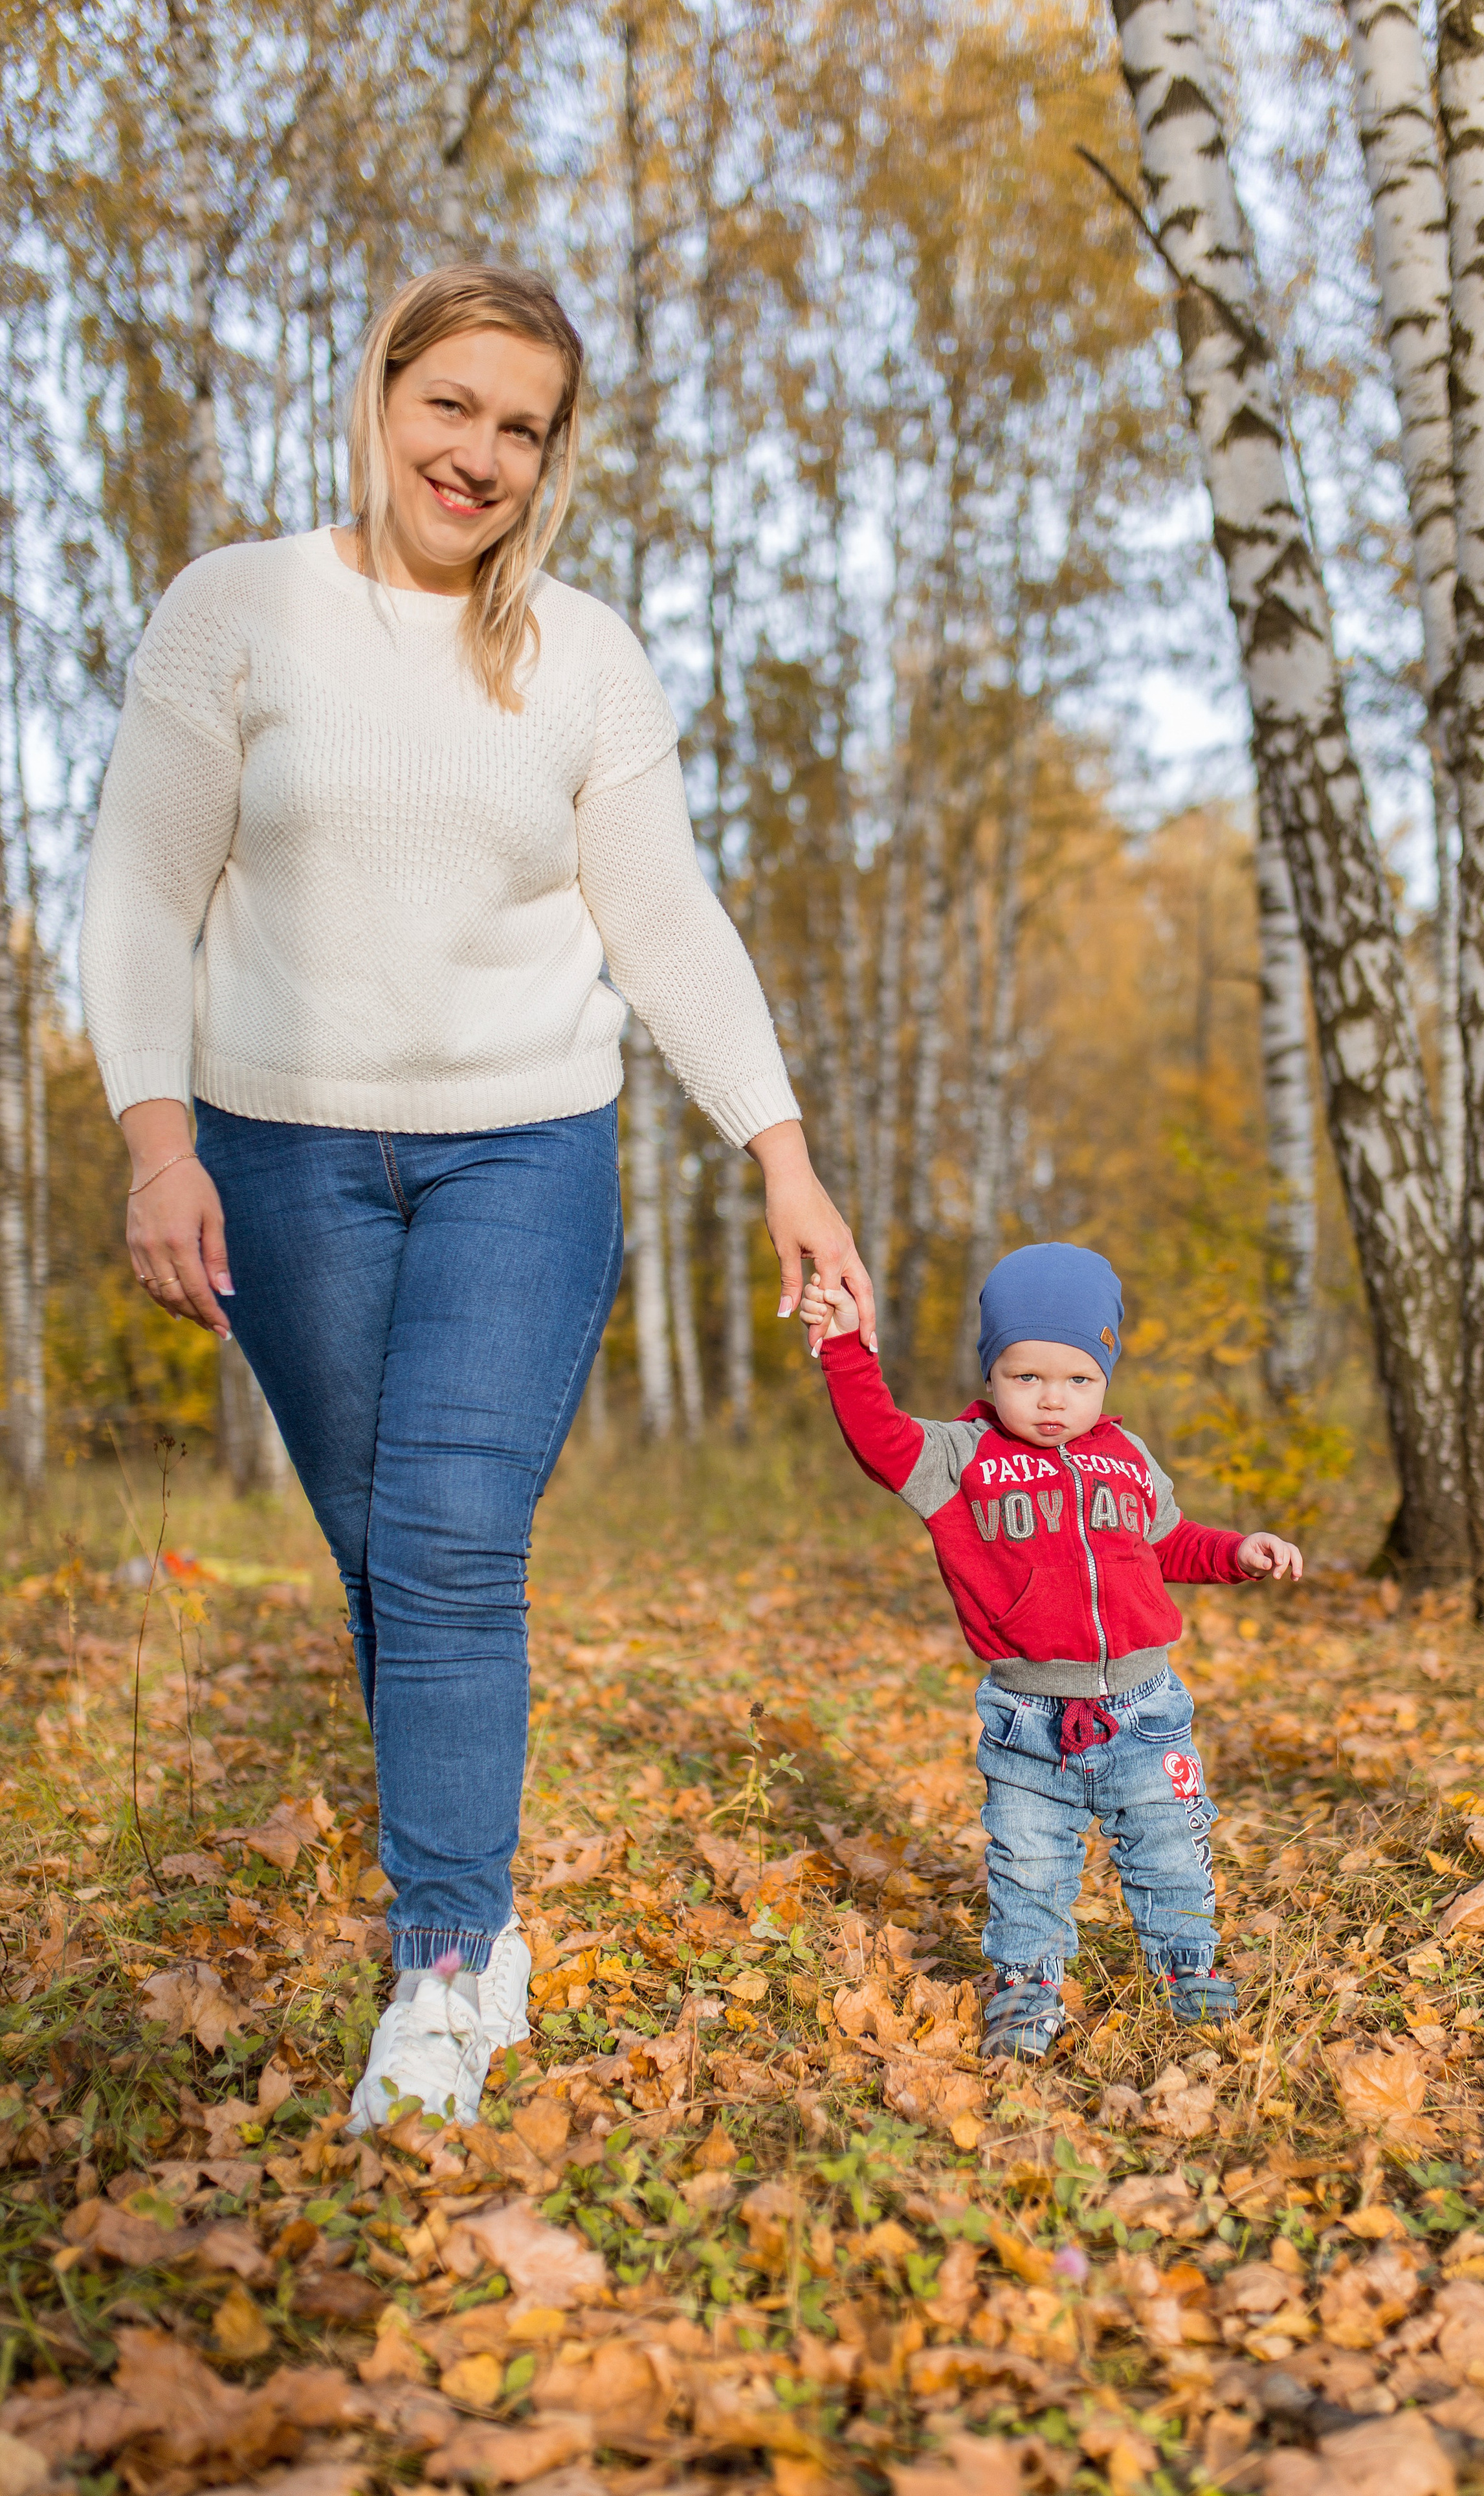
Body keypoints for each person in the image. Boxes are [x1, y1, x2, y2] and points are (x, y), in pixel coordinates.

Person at [79, 262, 871, 2135]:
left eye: (523, 428)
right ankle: (474, 1922)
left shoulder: (579, 654)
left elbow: (661, 915)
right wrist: (155, 1140)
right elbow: (139, 887)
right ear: (382, 395)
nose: (481, 455)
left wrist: (781, 1153)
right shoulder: (237, 608)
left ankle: (440, 1965)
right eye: (453, 406)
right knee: (386, 1557)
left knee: (445, 1540)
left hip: (523, 1148)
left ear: (551, 456)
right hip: (277, 1157)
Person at [797, 1242, 1300, 2057]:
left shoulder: (1128, 1458)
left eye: (1078, 1379)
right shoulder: (960, 1459)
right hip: (1028, 1716)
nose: (1053, 1399)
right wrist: (848, 1345)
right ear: (991, 1371)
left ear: (1106, 1377)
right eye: (1026, 1375)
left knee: (1171, 1846)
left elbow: (1167, 1543)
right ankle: (1027, 1986)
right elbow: (878, 1437)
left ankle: (1188, 1968)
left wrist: (1238, 1551)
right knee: (1028, 1863)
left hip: (1147, 1710)